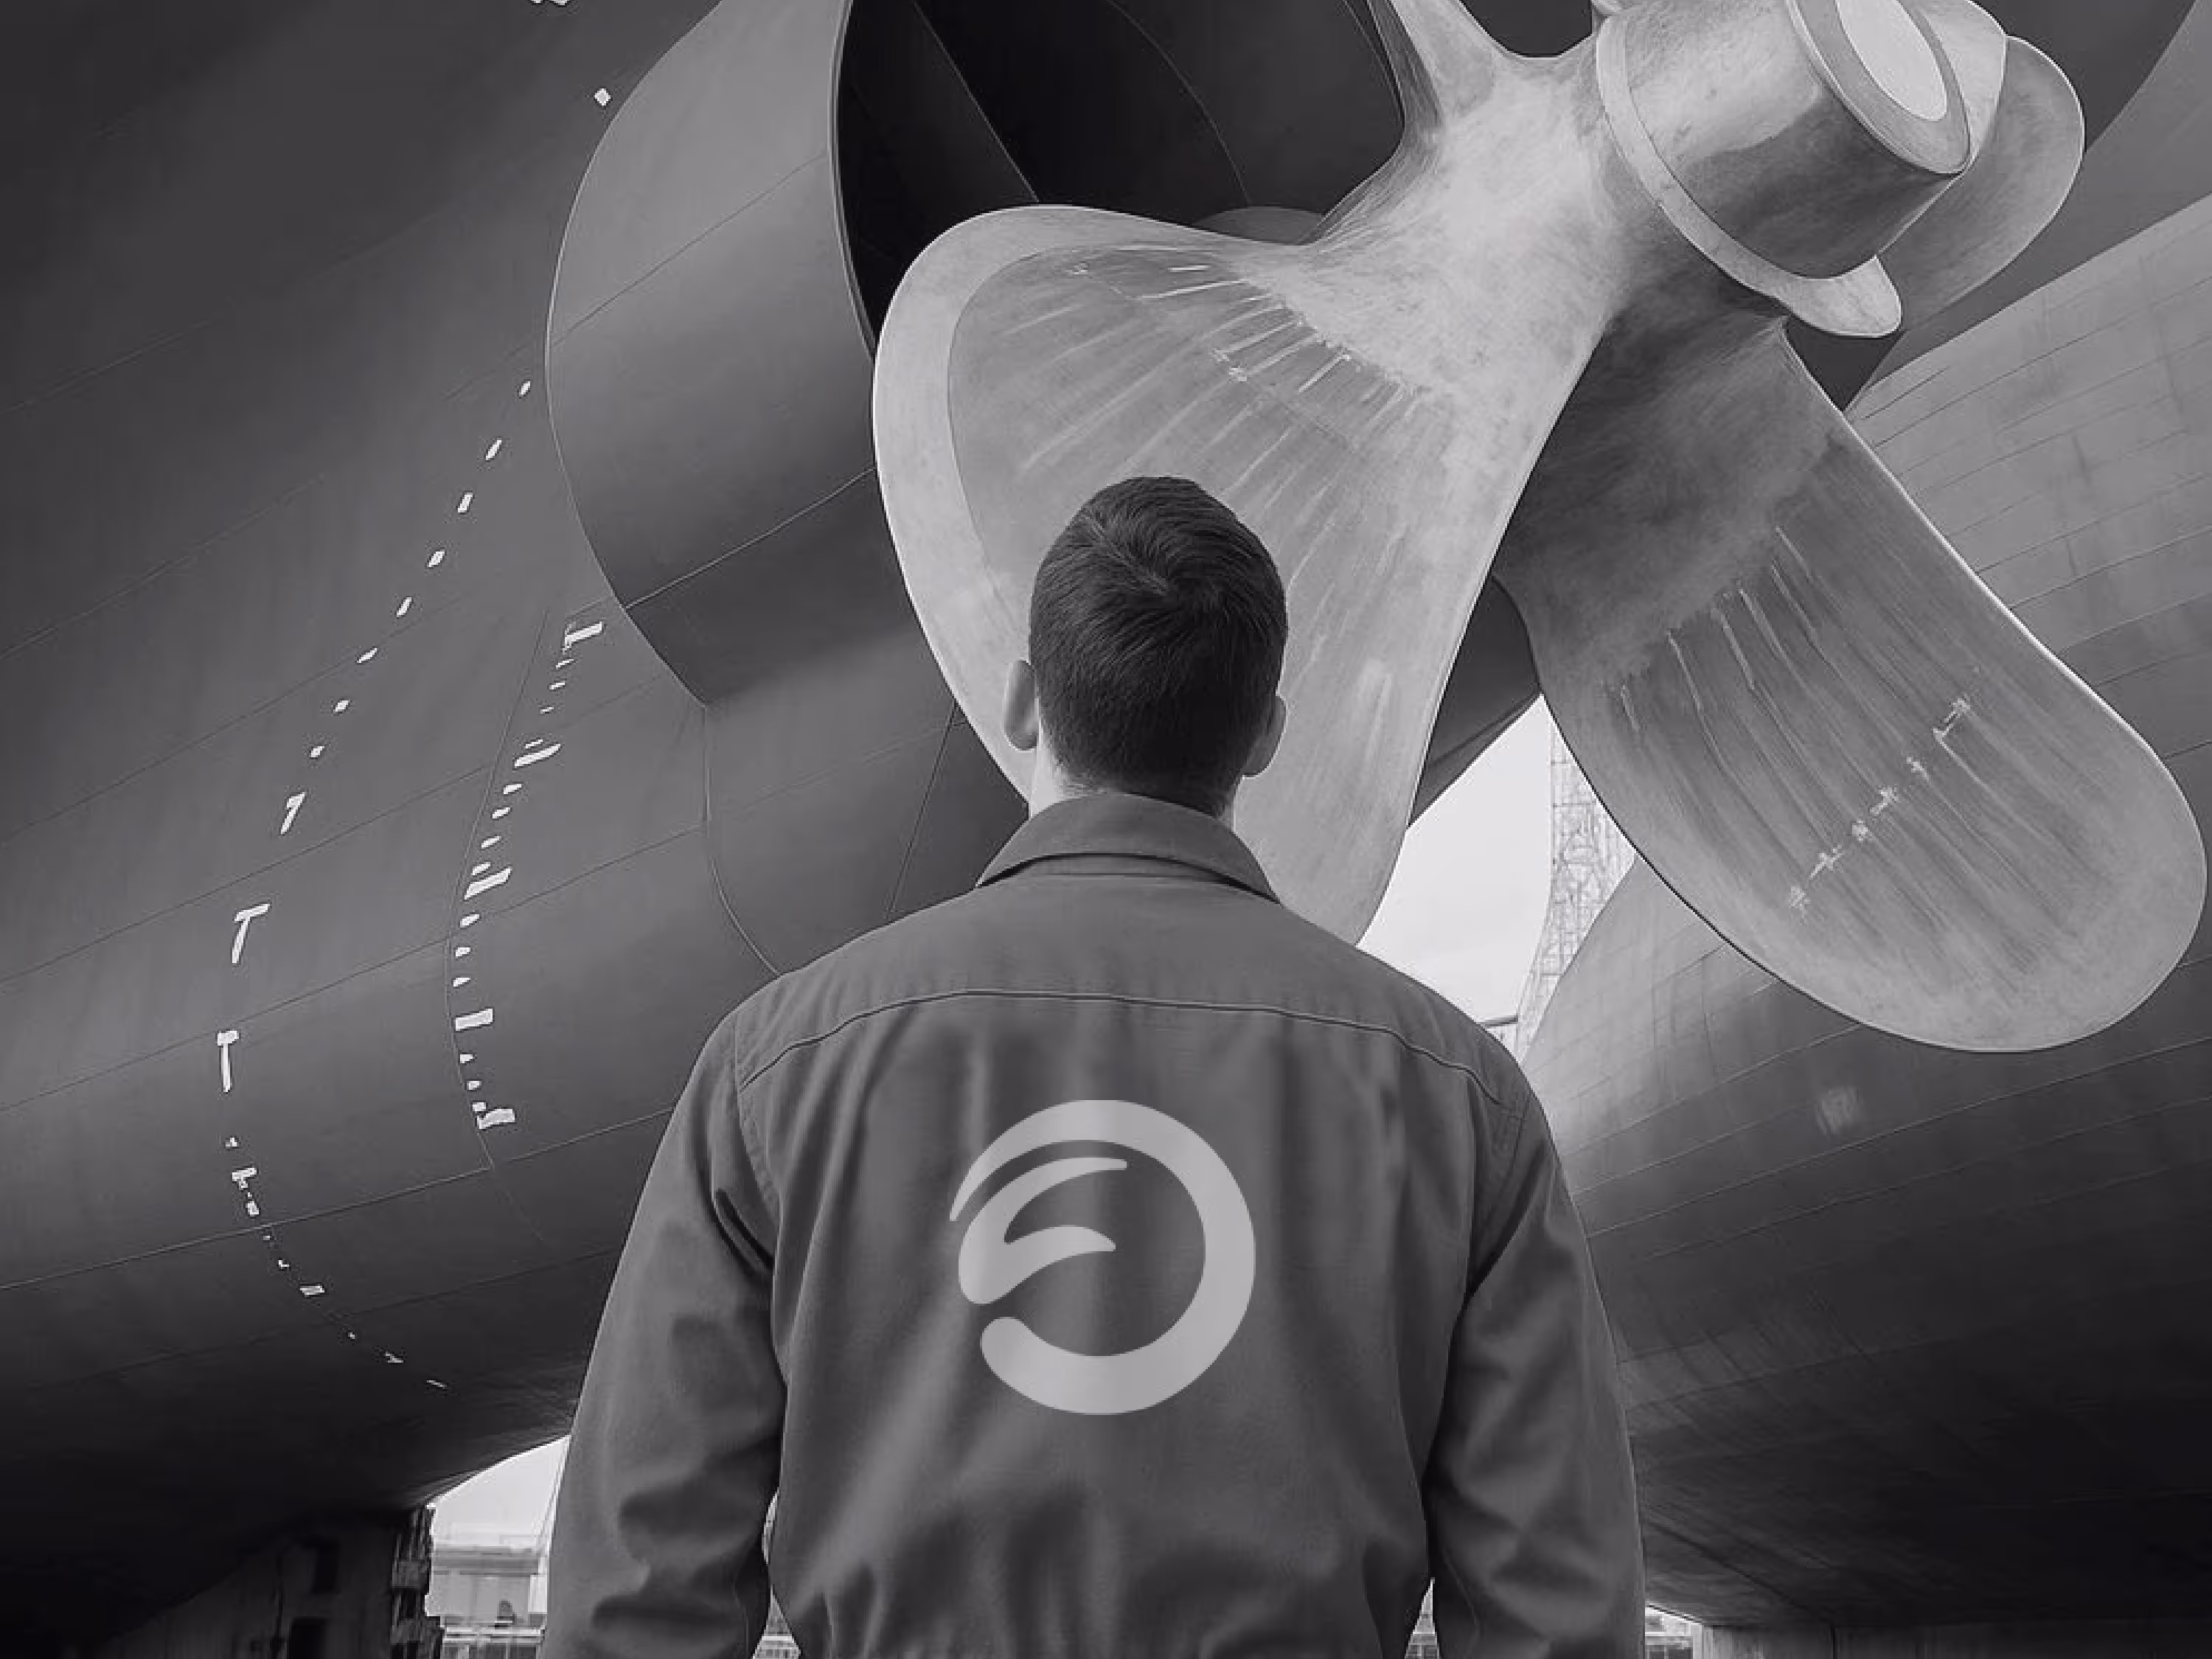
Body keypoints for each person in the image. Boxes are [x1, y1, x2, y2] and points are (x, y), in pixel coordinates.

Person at [543, 476, 1644, 1658]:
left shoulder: (776, 1070)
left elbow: (636, 1592)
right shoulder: (1460, 1098)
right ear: (1266, 731)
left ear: (1024, 701)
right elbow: (1555, 1612)